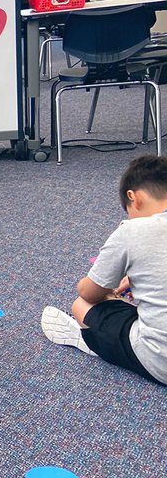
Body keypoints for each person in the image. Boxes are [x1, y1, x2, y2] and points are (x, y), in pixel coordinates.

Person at [41, 154, 167, 385]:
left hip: (160, 360)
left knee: (82, 305)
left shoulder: (133, 230)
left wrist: (106, 289)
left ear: (134, 198)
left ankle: (91, 340)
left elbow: (89, 293)